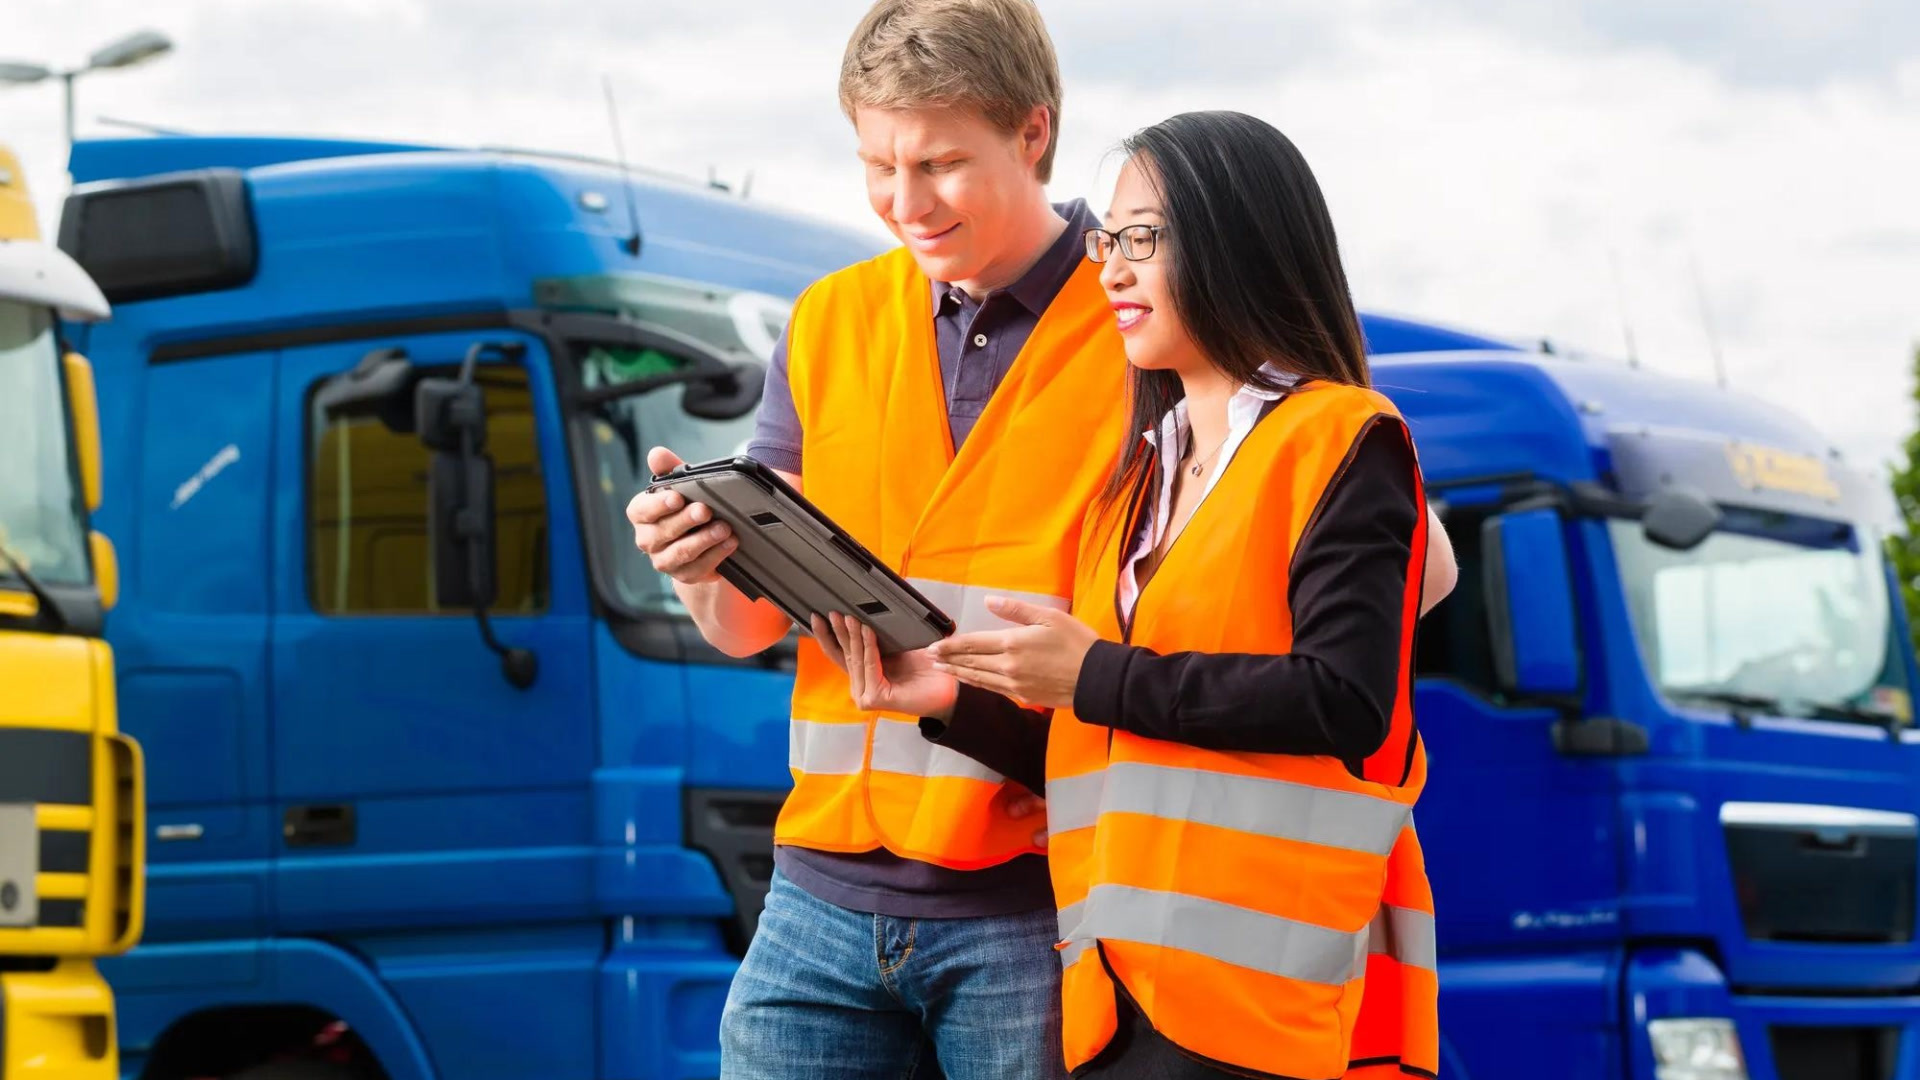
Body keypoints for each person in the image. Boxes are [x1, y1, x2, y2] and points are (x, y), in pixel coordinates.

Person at [628, 1, 1454, 1072]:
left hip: (1039, 892)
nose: (904, 203)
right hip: (822, 886)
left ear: (1031, 132)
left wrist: (1117, 673)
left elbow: (1401, 570)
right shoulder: (829, 321)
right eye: (877, 164)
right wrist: (699, 561)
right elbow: (745, 627)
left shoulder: (1149, 318)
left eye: (938, 163)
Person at [822, 110, 1442, 1079]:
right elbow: (1104, 745)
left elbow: (1346, 704)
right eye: (1108, 238)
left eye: (1142, 240)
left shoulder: (1341, 437)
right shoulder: (1141, 481)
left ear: (1237, 243)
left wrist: (1097, 673)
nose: (1109, 268)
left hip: (1254, 1012)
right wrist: (949, 704)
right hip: (1113, 997)